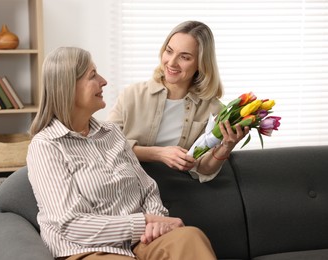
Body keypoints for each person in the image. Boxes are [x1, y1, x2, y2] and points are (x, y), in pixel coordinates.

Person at [27, 46, 216, 260]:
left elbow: (147, 189)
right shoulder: (46, 146)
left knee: (190, 237)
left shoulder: (112, 133)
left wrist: (157, 222)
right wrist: (145, 222)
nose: (103, 81)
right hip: (88, 250)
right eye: (93, 75)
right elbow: (71, 224)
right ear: (68, 86)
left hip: (141, 242)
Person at [107, 20, 249, 182]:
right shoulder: (132, 95)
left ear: (201, 63)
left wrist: (226, 147)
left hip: (178, 189)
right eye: (169, 51)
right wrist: (159, 154)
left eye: (185, 57)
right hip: (126, 184)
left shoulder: (213, 109)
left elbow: (203, 167)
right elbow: (105, 146)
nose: (172, 62)